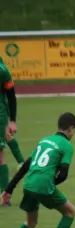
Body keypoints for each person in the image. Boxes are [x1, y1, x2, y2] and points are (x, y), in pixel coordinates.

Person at [0, 112, 75, 228]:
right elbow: (63, 175)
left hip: (29, 184)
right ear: (70, 129)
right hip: (43, 185)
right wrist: (49, 185)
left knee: (30, 223)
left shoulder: (44, 140)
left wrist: (9, 189)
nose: (73, 134)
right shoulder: (67, 146)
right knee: (70, 212)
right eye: (74, 130)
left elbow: (25, 166)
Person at [0, 61, 25, 206]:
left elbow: (11, 95)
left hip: (0, 114)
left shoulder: (2, 70)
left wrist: (12, 120)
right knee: (6, 137)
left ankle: (4, 195)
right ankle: (23, 162)